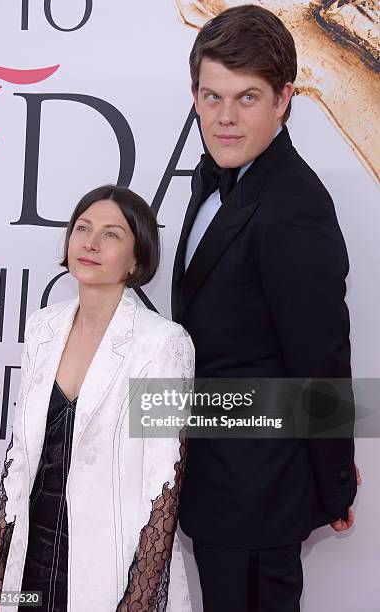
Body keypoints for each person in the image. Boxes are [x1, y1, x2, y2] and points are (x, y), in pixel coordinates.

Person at [171, 5, 358, 611]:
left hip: (257, 495)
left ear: (284, 99)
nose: (224, 119)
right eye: (211, 96)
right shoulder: (217, 176)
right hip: (212, 481)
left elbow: (322, 358)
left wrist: (332, 483)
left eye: (247, 98)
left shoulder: (294, 206)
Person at [0, 185, 194, 612]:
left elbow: (163, 487)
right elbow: (18, 463)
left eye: (111, 234)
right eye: (82, 228)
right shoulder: (43, 328)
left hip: (109, 566)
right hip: (31, 555)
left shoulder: (164, 344)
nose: (90, 243)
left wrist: (139, 600)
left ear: (136, 258)